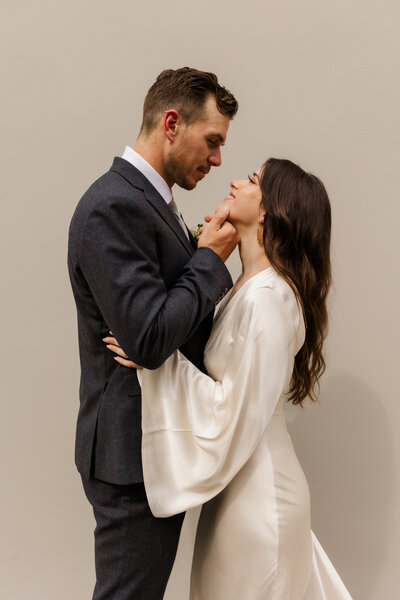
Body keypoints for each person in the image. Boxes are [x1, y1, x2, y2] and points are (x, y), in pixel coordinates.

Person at [105, 158, 353, 599]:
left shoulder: (270, 299)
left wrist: (155, 362)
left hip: (259, 498)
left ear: (271, 212)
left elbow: (232, 411)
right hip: (237, 490)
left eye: (253, 180)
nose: (237, 181)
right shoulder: (249, 287)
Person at [68, 67, 239, 600]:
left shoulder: (148, 199)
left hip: (149, 449)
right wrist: (209, 259)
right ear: (171, 122)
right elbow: (146, 337)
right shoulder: (114, 205)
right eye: (211, 141)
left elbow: (160, 325)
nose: (217, 160)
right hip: (129, 457)